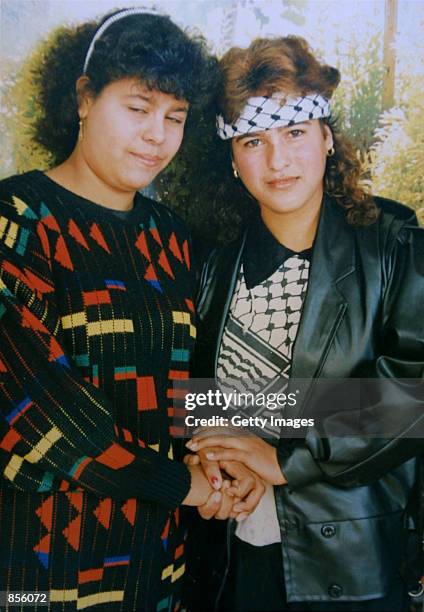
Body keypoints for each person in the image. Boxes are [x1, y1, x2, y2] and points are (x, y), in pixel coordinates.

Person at [0, 8, 262, 611]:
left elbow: (186, 389)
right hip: (37, 577)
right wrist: (188, 484)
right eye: (138, 109)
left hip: (157, 572)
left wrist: (229, 457)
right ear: (84, 97)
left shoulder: (172, 236)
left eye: (175, 118)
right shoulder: (18, 220)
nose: (157, 137)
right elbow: (38, 412)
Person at [184, 36, 424, 611]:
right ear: (233, 158)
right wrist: (214, 459)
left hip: (355, 565)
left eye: (294, 133)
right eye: (253, 141)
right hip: (235, 555)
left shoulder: (395, 249)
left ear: (326, 136)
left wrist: (282, 458)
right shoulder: (214, 264)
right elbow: (201, 399)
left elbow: (410, 391)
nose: (278, 160)